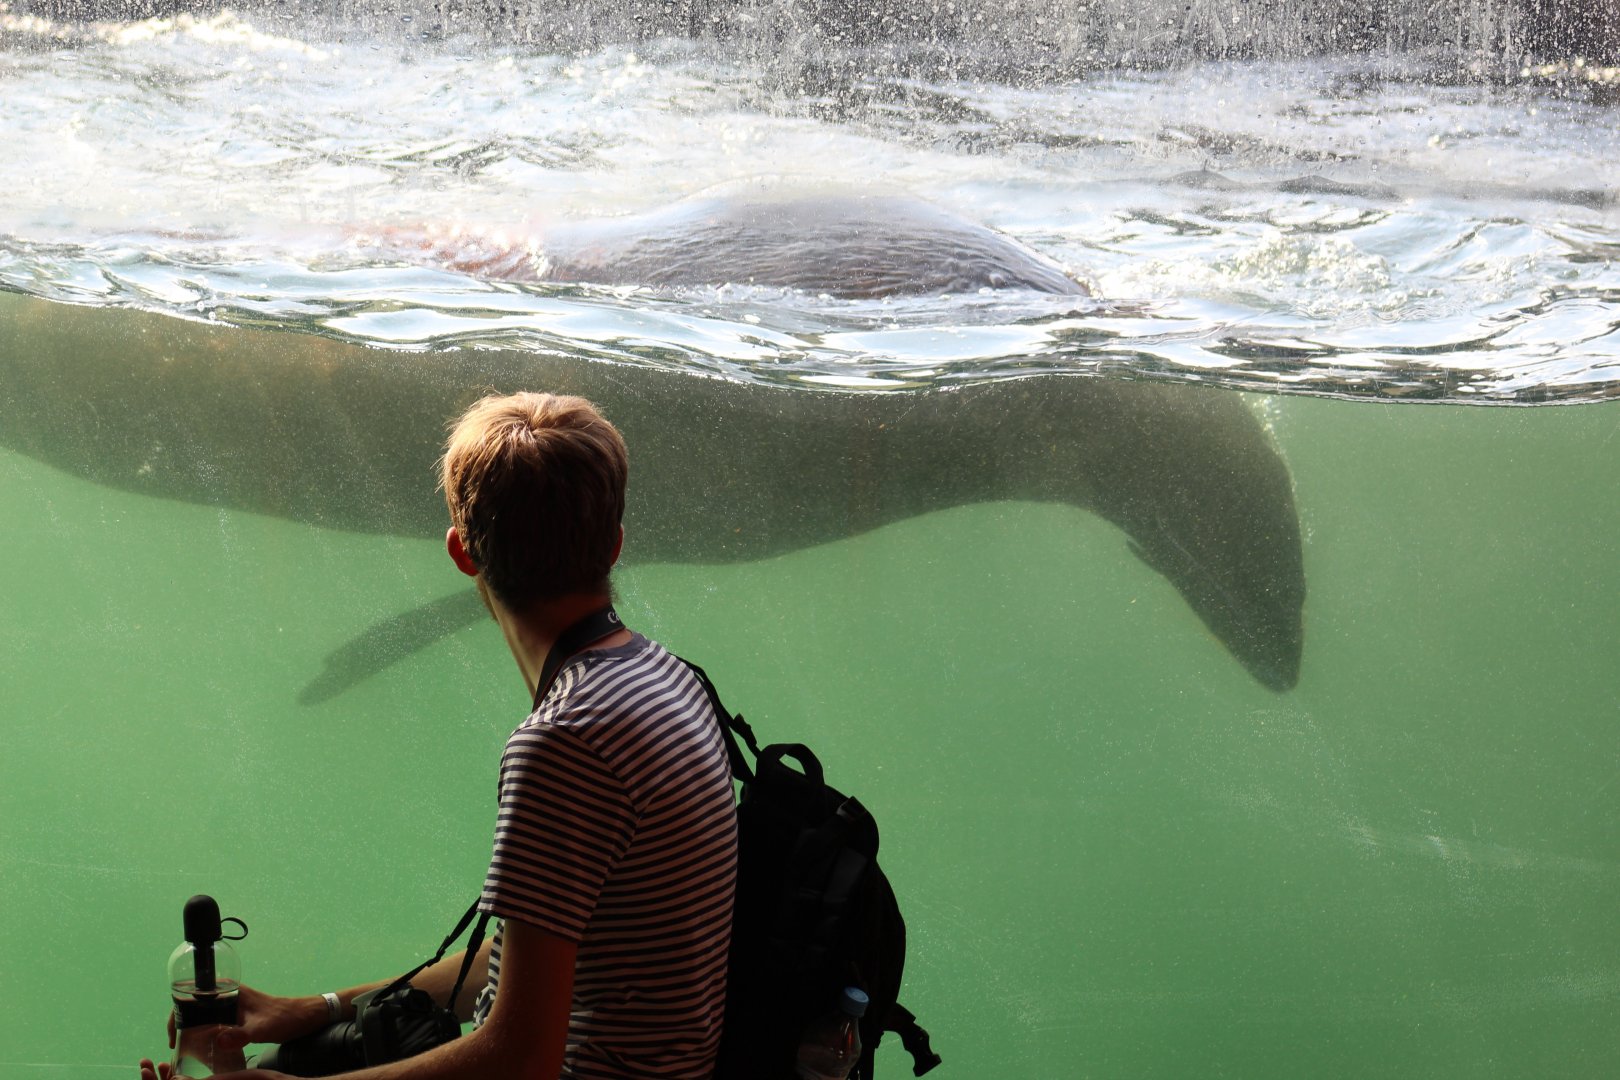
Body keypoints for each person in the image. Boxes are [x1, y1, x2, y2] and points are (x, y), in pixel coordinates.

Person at [141, 392, 739, 1080]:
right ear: (614, 544)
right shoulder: (669, 681)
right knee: (302, 1051)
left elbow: (520, 1059)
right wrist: (319, 1008)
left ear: (461, 552)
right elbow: (532, 960)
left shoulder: (566, 743)